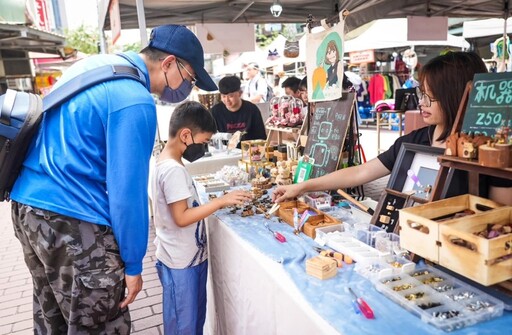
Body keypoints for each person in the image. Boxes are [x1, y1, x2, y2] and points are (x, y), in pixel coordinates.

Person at [10, 24, 218, 334]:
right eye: (188, 78)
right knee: (99, 325)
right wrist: (133, 266)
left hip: (28, 209)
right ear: (169, 63)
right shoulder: (135, 99)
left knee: (53, 318)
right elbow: (127, 195)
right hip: (72, 220)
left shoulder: (95, 66)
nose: (187, 88)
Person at [273, 51, 512, 206]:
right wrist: (301, 186)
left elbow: (501, 216)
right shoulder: (413, 141)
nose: (421, 103)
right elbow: (359, 173)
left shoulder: (491, 154)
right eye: (422, 94)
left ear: (455, 96)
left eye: (431, 97)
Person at [152, 101, 251, 334]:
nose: (204, 148)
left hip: (184, 256)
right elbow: (182, 217)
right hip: (180, 261)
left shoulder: (167, 161)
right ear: (186, 135)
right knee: (184, 324)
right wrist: (219, 201)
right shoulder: (173, 170)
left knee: (192, 320)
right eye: (204, 142)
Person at [211, 75, 267, 146]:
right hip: (225, 153)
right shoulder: (216, 111)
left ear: (240, 93)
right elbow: (211, 136)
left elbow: (261, 137)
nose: (227, 100)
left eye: (231, 96)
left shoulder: (252, 110)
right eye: (223, 96)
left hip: (249, 152)